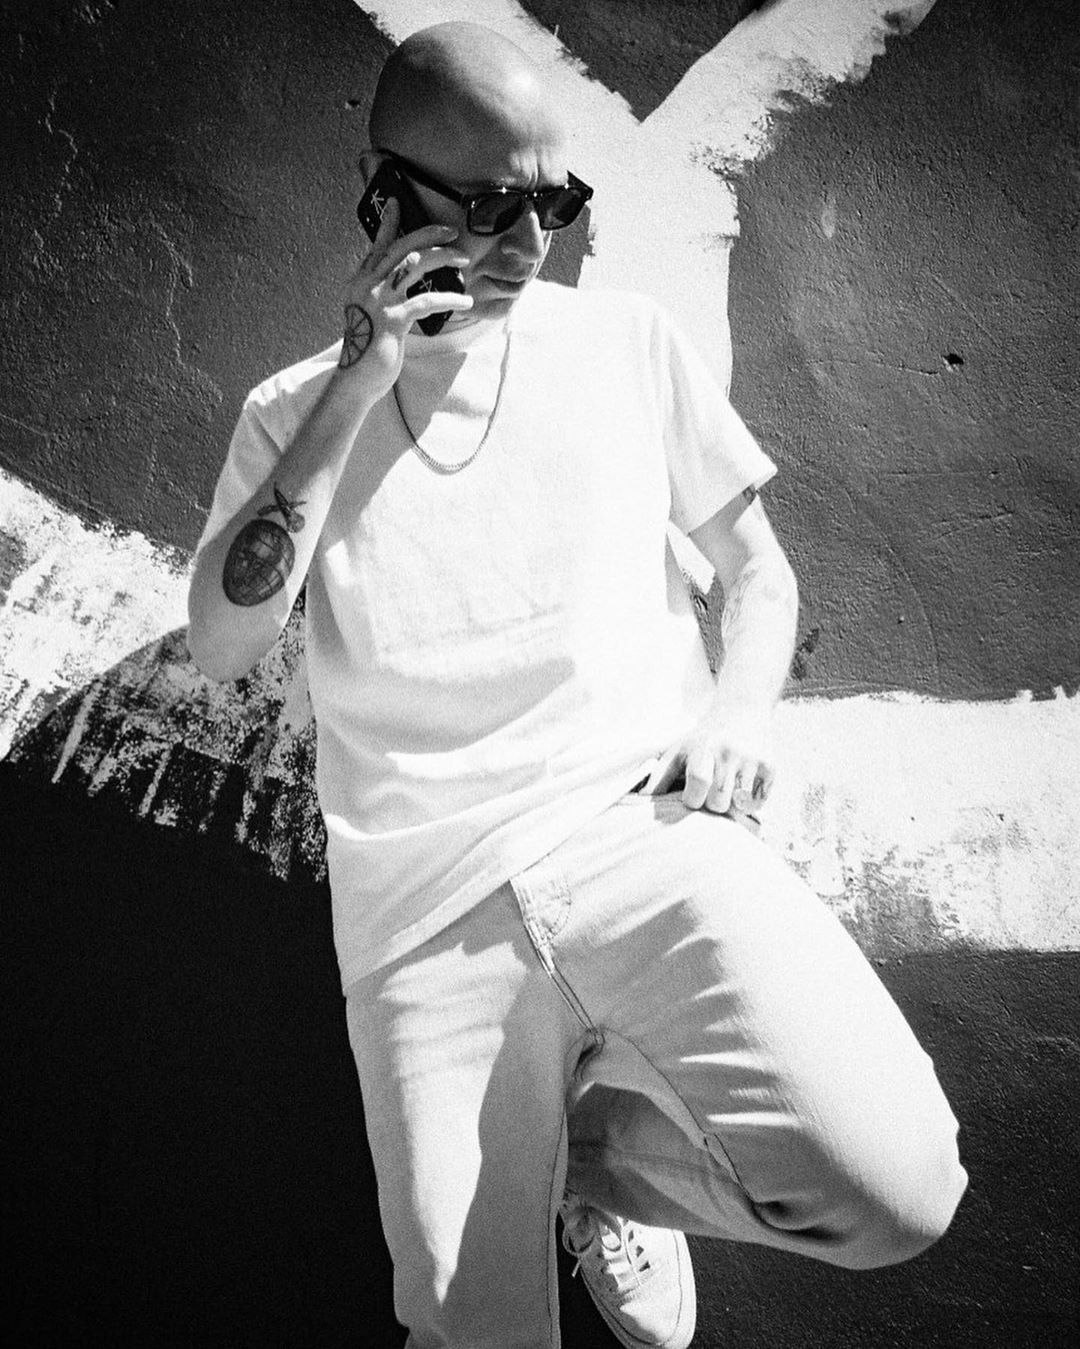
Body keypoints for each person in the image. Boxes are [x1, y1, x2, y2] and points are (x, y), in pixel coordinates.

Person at [187, 21, 967, 1349]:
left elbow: (760, 577)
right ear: (385, 195)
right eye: (495, 207)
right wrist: (361, 381)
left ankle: (593, 1163)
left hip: (638, 829)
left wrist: (736, 715)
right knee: (469, 1332)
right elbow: (220, 638)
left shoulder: (627, 345)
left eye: (556, 202)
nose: (533, 242)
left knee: (901, 1187)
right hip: (424, 921)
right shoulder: (290, 414)